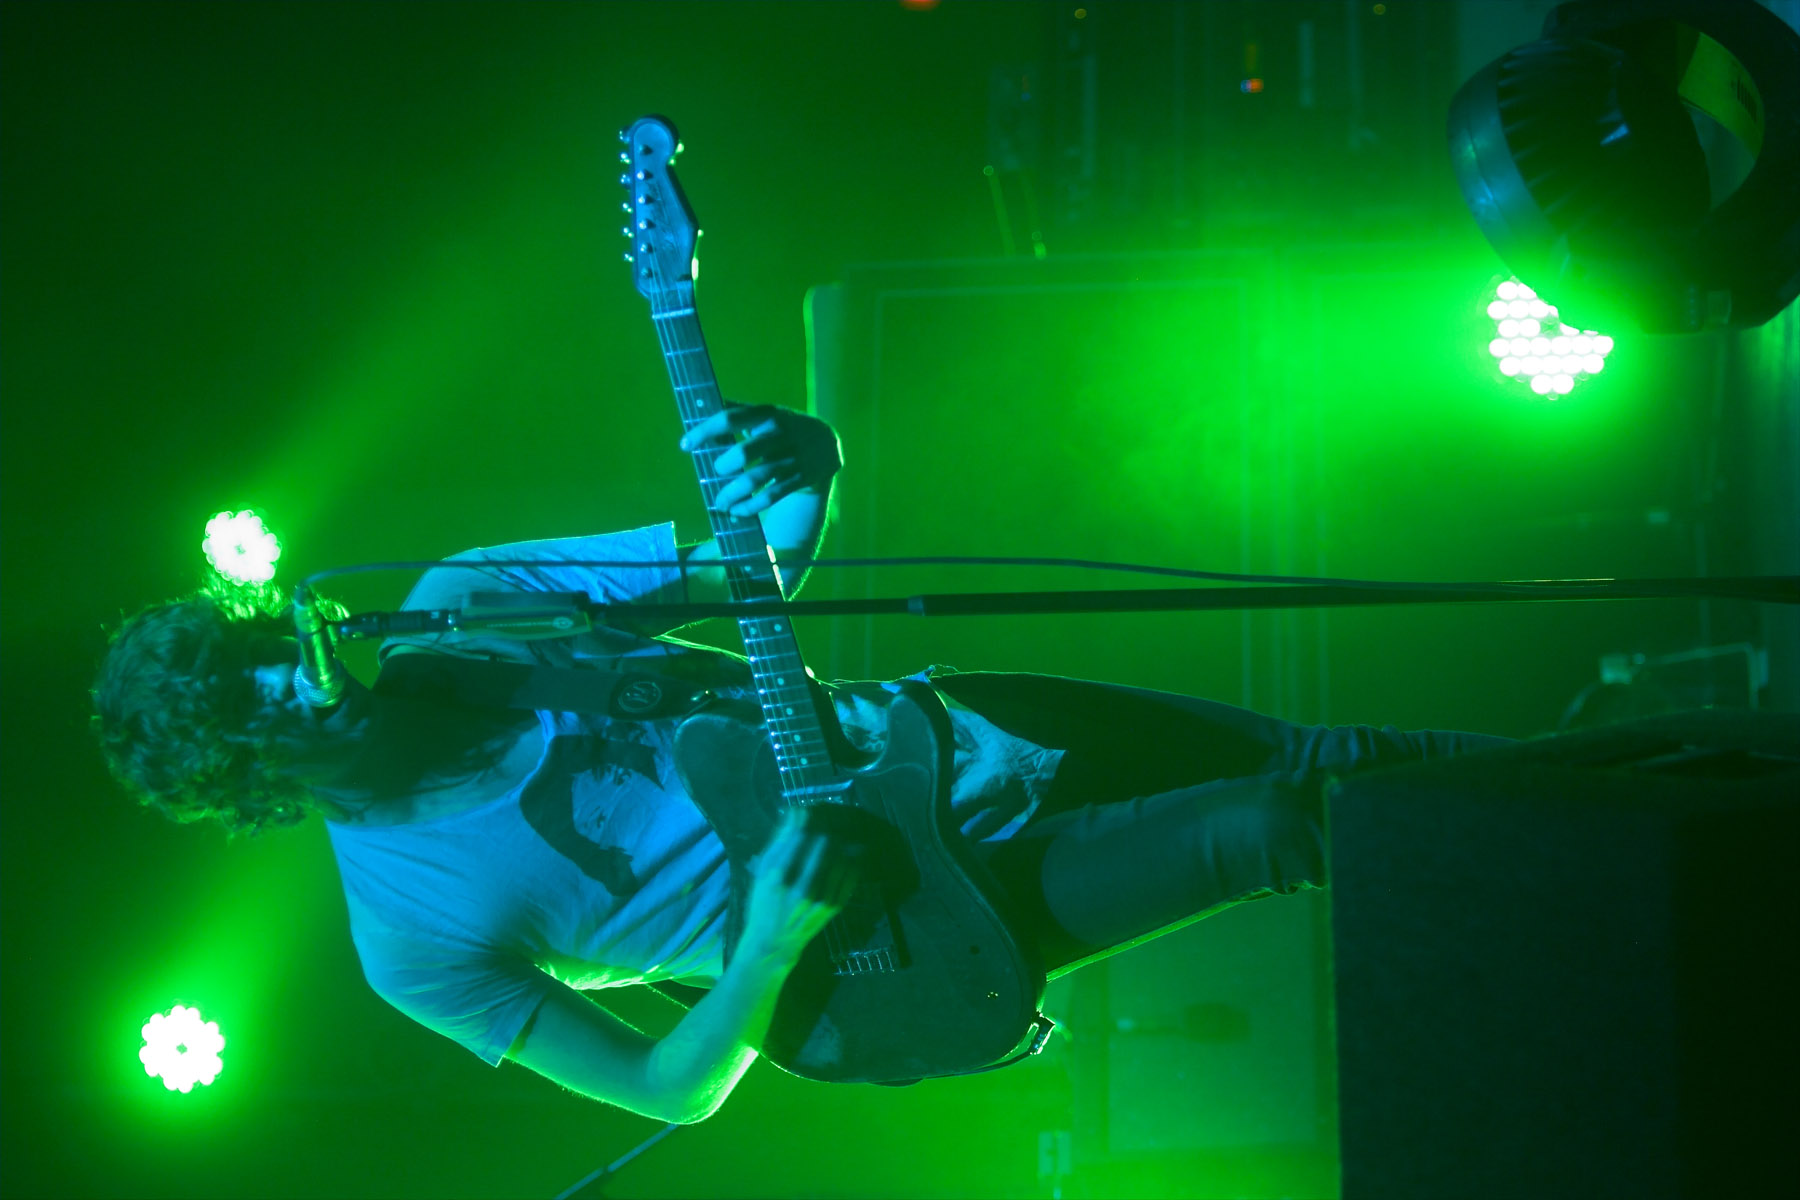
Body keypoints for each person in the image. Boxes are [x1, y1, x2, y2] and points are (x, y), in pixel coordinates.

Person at [92, 403, 1509, 1125]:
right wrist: (770, 936)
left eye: (263, 644)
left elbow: (745, 574)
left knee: (1331, 753)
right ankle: (1596, 843)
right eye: (254, 699)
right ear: (249, 776)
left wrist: (804, 460)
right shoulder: (409, 938)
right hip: (918, 921)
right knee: (1277, 824)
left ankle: (1635, 783)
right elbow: (668, 1088)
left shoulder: (463, 608)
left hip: (936, 734)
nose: (293, 666)